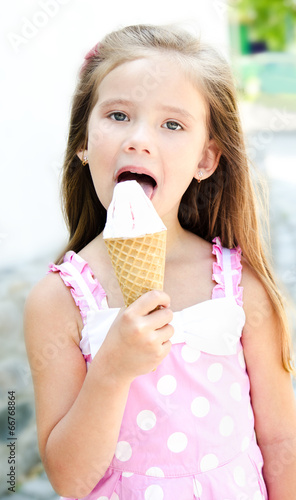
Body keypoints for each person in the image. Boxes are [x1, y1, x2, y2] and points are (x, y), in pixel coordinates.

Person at [24, 24, 296, 500]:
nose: (138, 140)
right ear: (83, 143)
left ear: (206, 160)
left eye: (172, 125)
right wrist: (112, 370)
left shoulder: (238, 282)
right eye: (118, 115)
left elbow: (280, 441)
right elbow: (68, 478)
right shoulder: (59, 300)